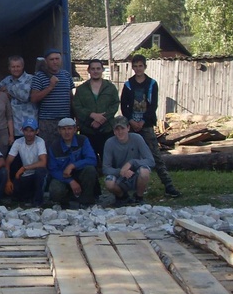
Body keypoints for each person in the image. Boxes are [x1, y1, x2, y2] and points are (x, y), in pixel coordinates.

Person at [120, 54, 181, 198]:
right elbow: (124, 105)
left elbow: (153, 105)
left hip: (146, 125)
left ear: (145, 67)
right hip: (131, 125)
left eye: (140, 66)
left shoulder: (152, 84)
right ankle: (126, 188)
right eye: (135, 66)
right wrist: (131, 121)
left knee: (155, 156)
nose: (138, 68)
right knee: (130, 156)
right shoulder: (128, 85)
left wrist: (143, 121)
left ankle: (168, 185)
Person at [72, 58, 119, 169]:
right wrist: (92, 115)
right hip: (88, 130)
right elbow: (77, 107)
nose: (95, 71)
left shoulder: (110, 88)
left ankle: (110, 183)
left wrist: (103, 118)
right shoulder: (81, 89)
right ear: (88, 70)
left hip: (107, 129)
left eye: (98, 68)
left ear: (102, 70)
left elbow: (115, 104)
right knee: (89, 162)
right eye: (93, 69)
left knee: (108, 161)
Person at [103, 116, 154, 206]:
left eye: (122, 128)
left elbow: (151, 161)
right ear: (114, 131)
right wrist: (121, 171)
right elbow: (106, 168)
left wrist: (132, 162)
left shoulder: (137, 138)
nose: (120, 132)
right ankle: (122, 197)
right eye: (117, 129)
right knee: (109, 182)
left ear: (128, 128)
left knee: (145, 171)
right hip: (120, 176)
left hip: (135, 174)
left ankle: (139, 197)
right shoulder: (109, 143)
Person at [47, 117, 97, 207]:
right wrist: (70, 181)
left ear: (75, 129)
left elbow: (92, 159)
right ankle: (65, 202)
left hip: (81, 174)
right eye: (63, 129)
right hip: (64, 178)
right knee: (55, 189)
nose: (67, 132)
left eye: (70, 128)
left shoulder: (83, 140)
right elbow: (53, 170)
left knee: (90, 170)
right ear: (59, 130)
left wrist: (72, 165)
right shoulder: (54, 146)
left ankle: (87, 201)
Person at [30, 49, 74, 149]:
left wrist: (74, 116)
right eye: (51, 59)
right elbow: (33, 98)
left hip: (65, 120)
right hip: (47, 122)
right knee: (48, 150)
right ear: (46, 61)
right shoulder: (39, 76)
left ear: (61, 60)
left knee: (65, 149)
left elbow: (71, 98)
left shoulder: (66, 75)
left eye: (57, 59)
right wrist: (50, 86)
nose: (55, 62)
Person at [6, 118, 47, 206]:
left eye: (32, 130)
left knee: (40, 172)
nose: (29, 133)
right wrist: (8, 180)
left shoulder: (40, 141)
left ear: (37, 131)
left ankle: (38, 202)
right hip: (25, 175)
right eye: (26, 130)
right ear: (22, 130)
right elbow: (8, 162)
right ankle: (26, 199)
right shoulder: (18, 142)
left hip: (36, 173)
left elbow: (43, 162)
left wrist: (24, 168)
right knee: (14, 190)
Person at [0, 55, 37, 139]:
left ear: (22, 66)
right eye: (13, 67)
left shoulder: (31, 79)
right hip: (14, 128)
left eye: (18, 66)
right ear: (9, 68)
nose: (16, 69)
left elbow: (24, 96)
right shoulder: (7, 80)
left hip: (29, 126)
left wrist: (8, 90)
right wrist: (4, 94)